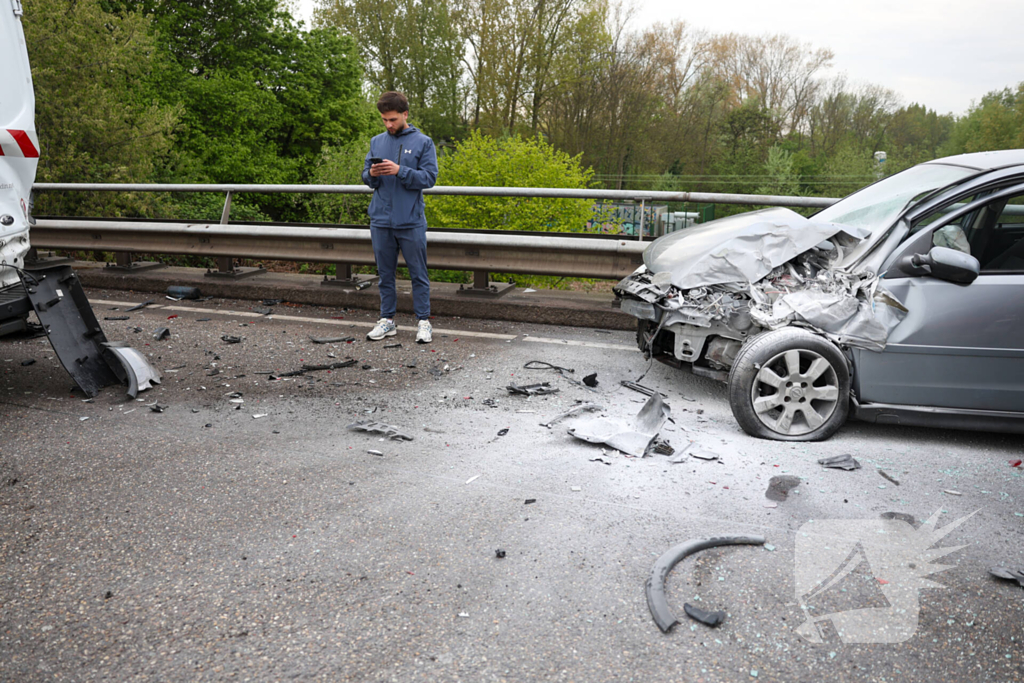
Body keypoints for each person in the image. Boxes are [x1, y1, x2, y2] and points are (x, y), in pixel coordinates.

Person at [361, 91, 438, 344]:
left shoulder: (424, 142)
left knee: (419, 274)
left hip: (411, 221)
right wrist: (372, 173)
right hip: (380, 220)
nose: (388, 125)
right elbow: (366, 179)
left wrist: (400, 171)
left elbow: (429, 179)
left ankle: (424, 322)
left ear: (405, 114)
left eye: (392, 119)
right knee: (385, 274)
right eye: (384, 120)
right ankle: (387, 321)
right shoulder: (376, 141)